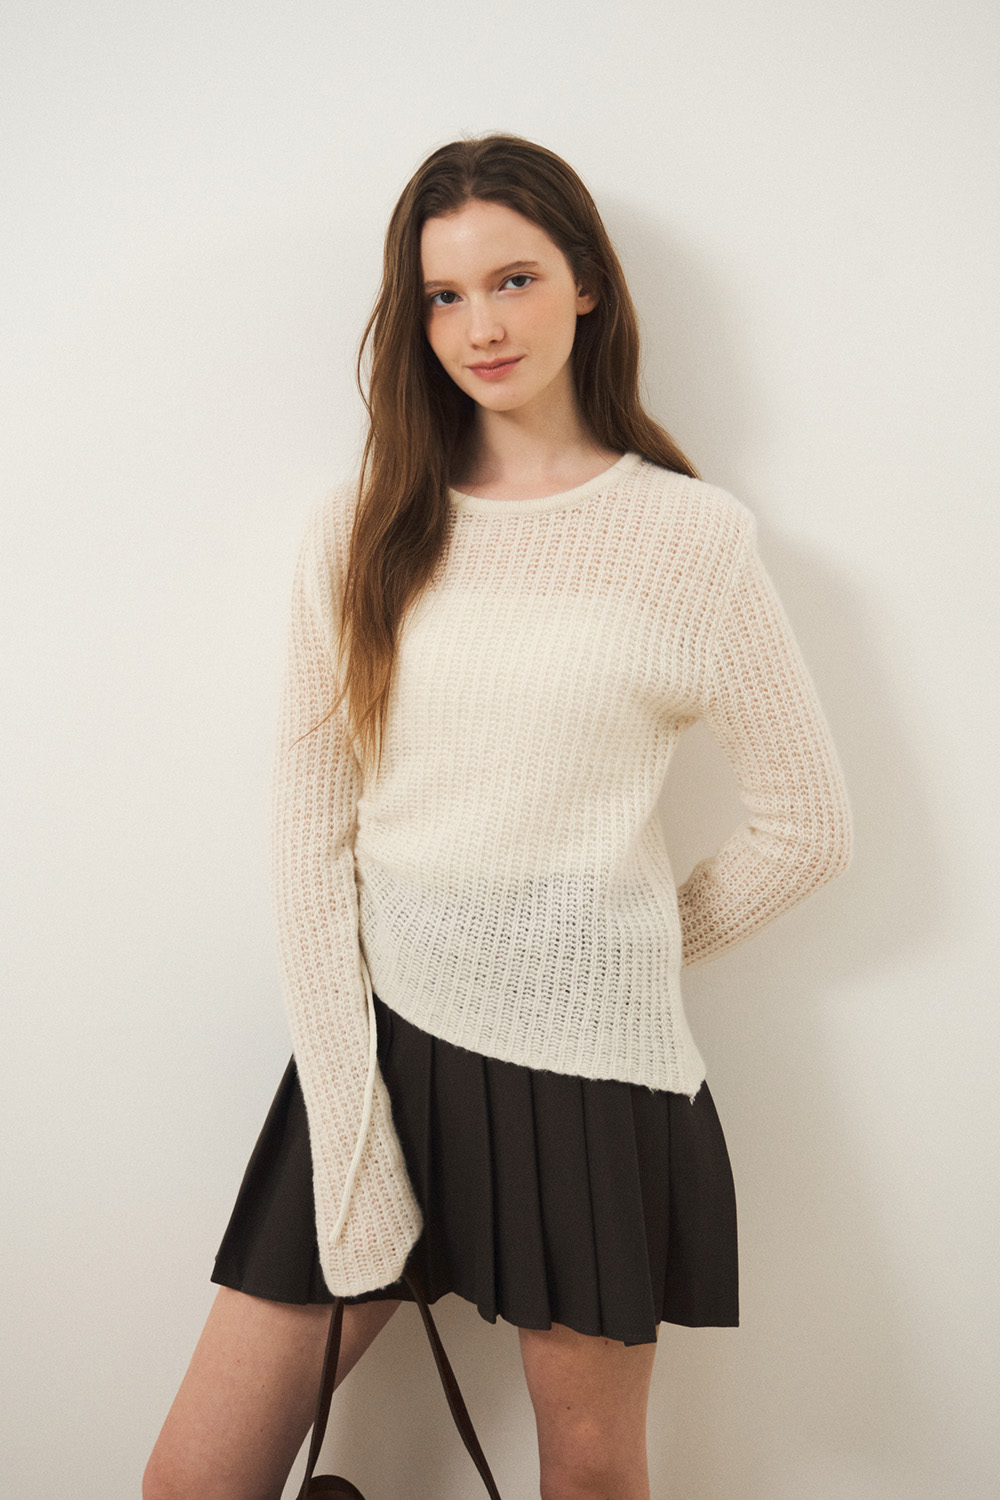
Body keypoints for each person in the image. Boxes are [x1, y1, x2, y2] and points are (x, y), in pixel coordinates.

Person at [143, 132, 852, 1500]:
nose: (481, 326)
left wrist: (593, 954)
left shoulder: (691, 538)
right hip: (378, 1048)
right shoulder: (362, 525)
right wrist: (350, 1128)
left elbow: (808, 826)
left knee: (588, 1480)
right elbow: (308, 841)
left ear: (587, 284)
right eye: (444, 295)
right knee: (194, 1480)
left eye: (513, 279)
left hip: (590, 1076)